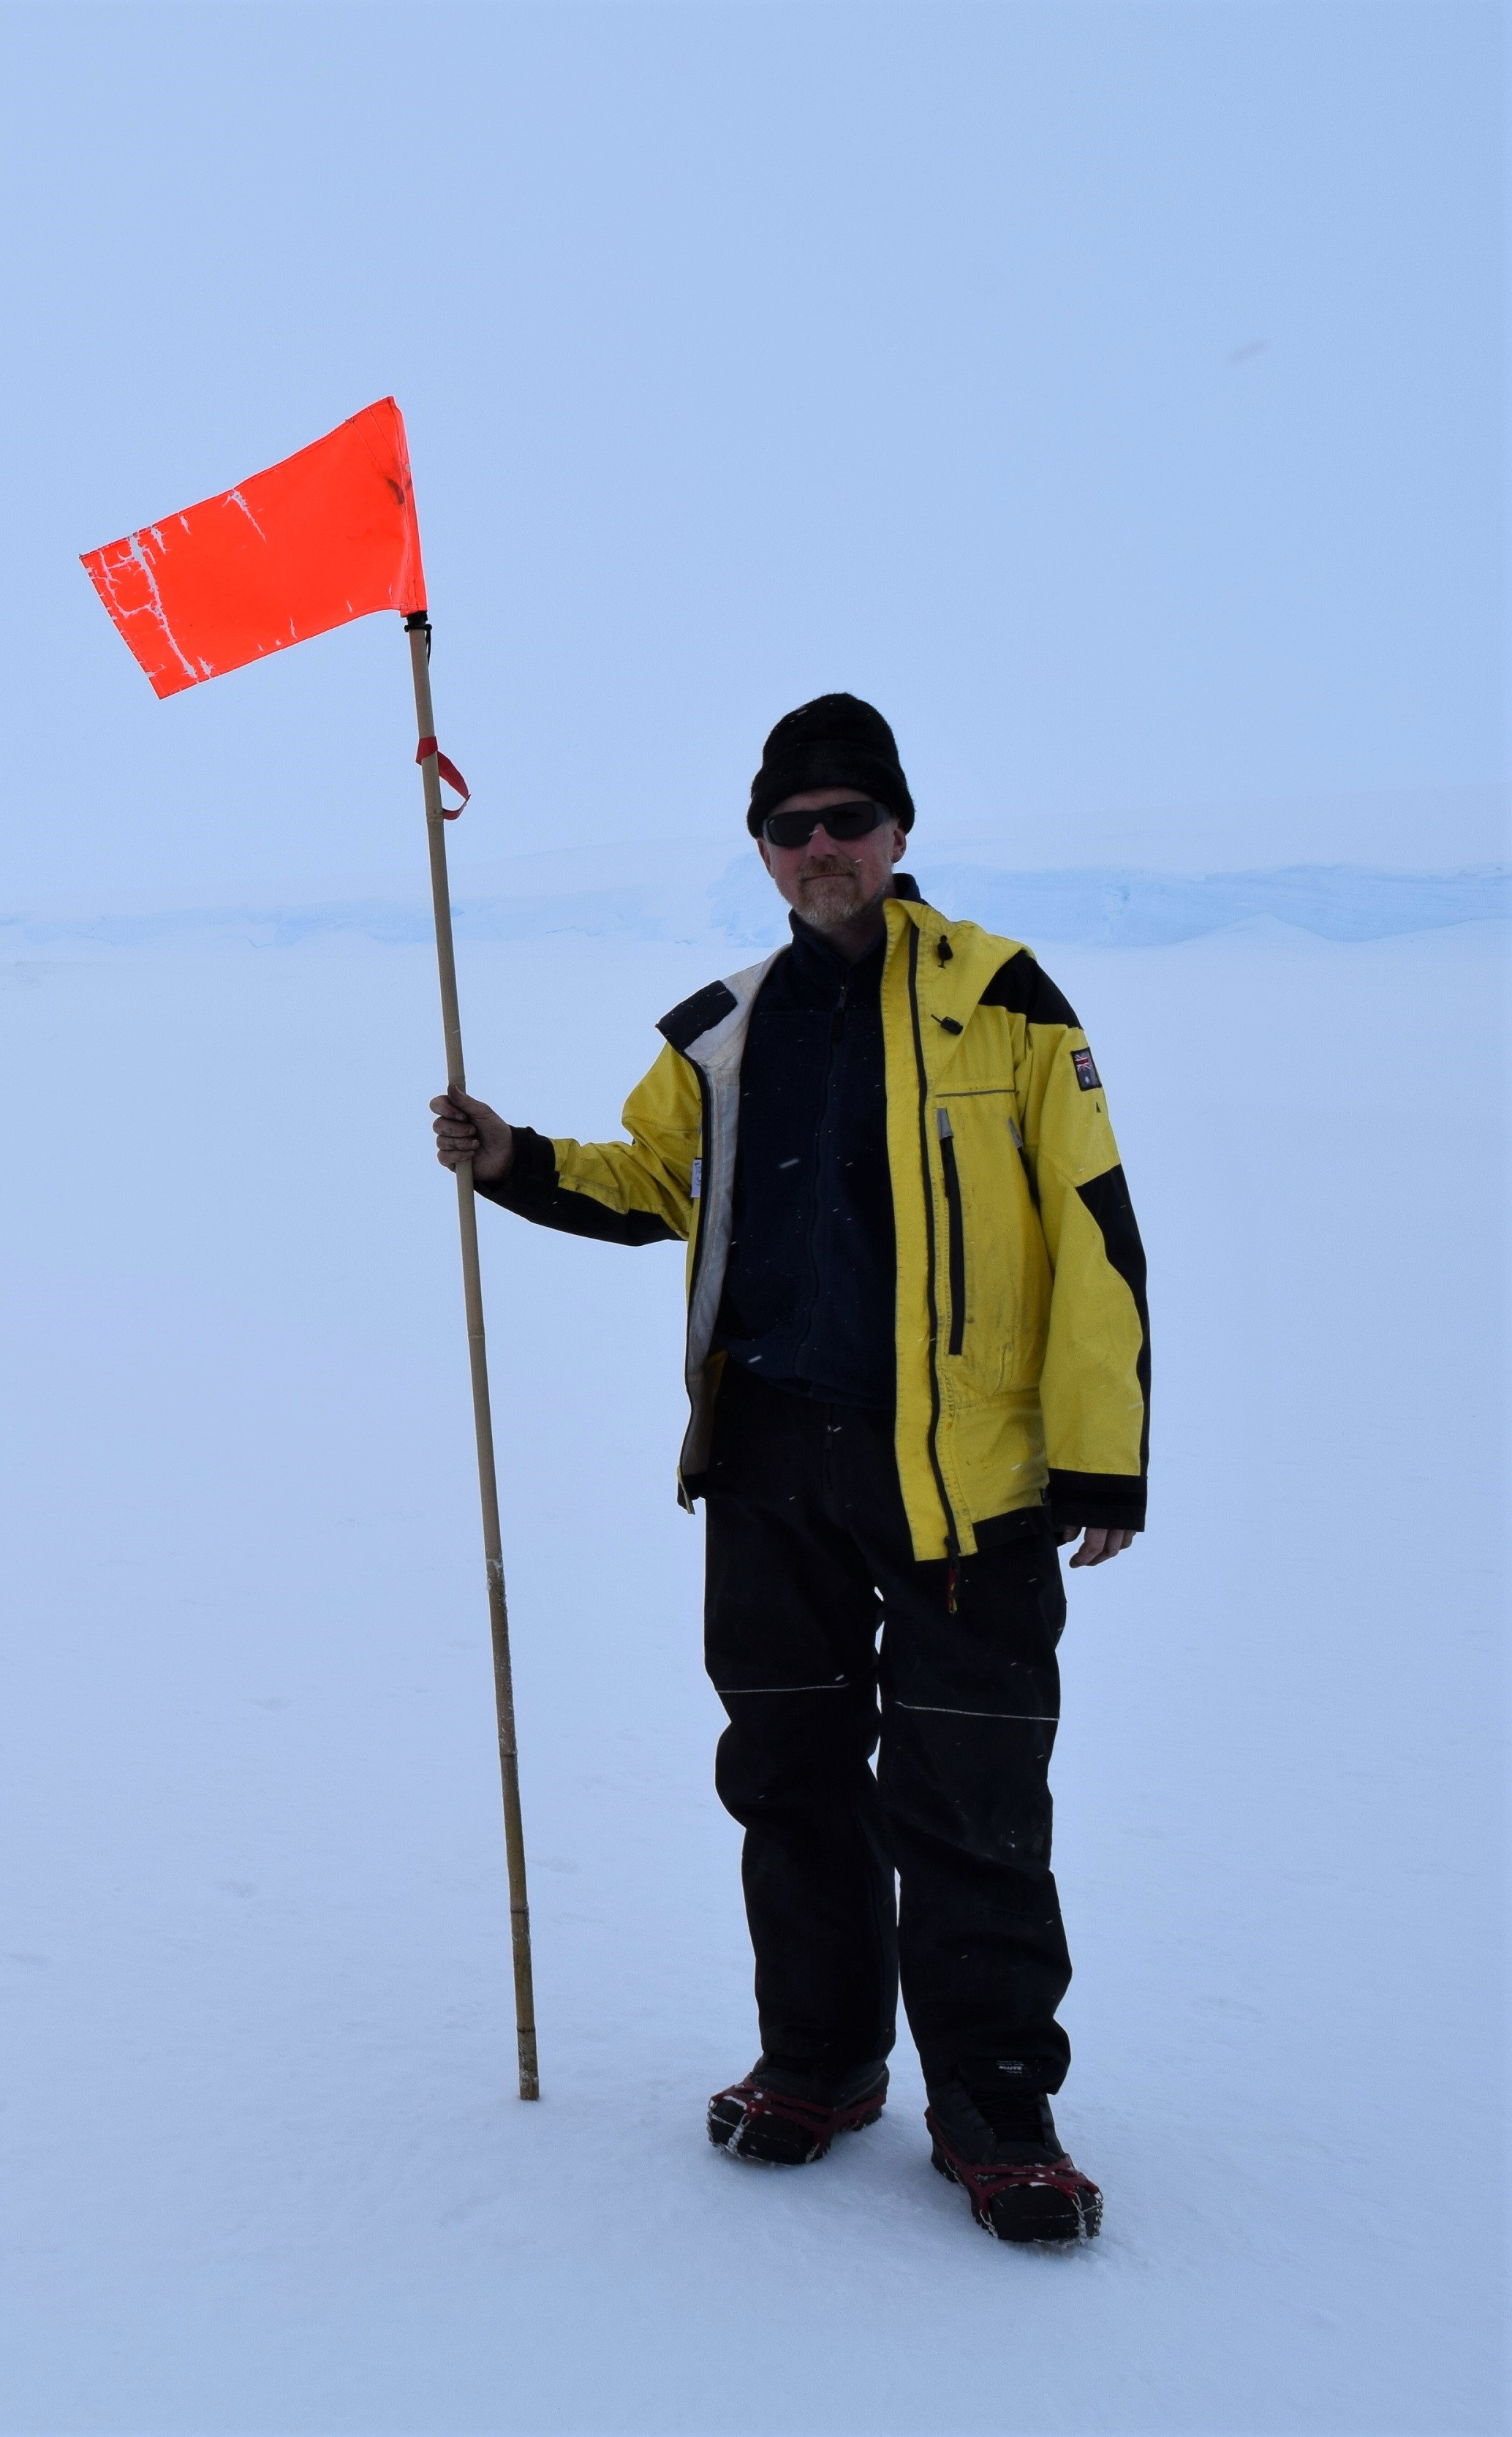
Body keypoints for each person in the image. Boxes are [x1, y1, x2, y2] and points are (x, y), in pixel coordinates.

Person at [429, 694, 1146, 2245]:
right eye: (790, 826)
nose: (820, 848)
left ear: (896, 834)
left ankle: (998, 2104)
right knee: (792, 1782)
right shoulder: (727, 1025)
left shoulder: (1005, 1003)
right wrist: (514, 1160)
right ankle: (818, 2060)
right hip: (768, 1464)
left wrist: (1103, 1456)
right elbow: (652, 1187)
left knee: (968, 1798)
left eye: (846, 819)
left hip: (966, 1484)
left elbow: (1092, 1227)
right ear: (763, 851)